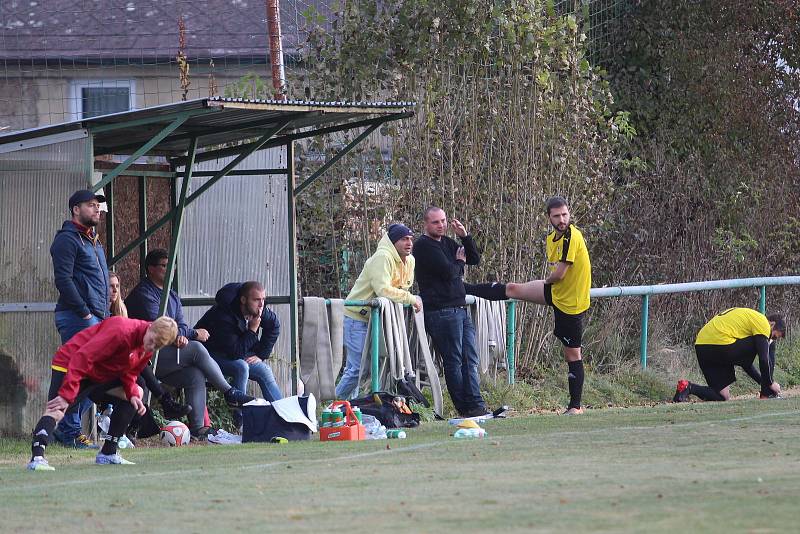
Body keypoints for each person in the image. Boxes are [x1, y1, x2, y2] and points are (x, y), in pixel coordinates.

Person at [125, 249, 254, 439]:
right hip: (145, 359)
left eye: (172, 265)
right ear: (150, 269)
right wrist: (192, 334)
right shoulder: (144, 294)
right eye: (164, 265)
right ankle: (229, 392)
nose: (171, 269)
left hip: (166, 354)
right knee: (196, 348)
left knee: (195, 374)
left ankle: (198, 428)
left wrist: (182, 335)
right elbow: (160, 329)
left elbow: (180, 325)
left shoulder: (173, 295)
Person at [27, 316, 178, 471]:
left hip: (96, 373)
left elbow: (130, 370)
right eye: (152, 341)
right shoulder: (121, 331)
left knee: (137, 392)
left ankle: (108, 452)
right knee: (57, 409)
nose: (151, 347)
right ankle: (37, 458)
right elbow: (82, 358)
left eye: (157, 346)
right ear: (150, 326)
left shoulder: (147, 347)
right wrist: (67, 394)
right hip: (70, 362)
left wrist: (132, 393)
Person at [498, 196, 592, 415]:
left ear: (569, 214)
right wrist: (549, 283)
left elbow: (559, 274)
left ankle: (575, 407)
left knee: (572, 354)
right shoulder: (552, 238)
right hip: (557, 295)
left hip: (571, 304)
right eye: (557, 216)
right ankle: (466, 289)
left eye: (565, 214)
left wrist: (546, 281)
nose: (562, 219)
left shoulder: (572, 236)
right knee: (513, 289)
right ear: (548, 217)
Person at [413, 206, 489, 418]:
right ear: (426, 224)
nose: (441, 225)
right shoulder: (423, 246)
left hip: (460, 309)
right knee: (454, 360)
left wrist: (465, 237)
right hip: (441, 312)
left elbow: (473, 259)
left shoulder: (447, 242)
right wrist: (458, 262)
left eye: (444, 221)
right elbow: (450, 273)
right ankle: (464, 407)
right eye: (436, 222)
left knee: (470, 359)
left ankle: (477, 404)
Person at [49, 189, 110, 448]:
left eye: (97, 206)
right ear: (76, 209)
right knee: (81, 374)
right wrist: (84, 311)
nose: (97, 209)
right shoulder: (68, 239)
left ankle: (62, 424)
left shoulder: (92, 240)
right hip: (78, 317)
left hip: (96, 317)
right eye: (91, 205)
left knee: (101, 376)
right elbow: (63, 279)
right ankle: (68, 430)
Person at [336, 223, 422, 399]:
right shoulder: (382, 257)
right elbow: (383, 290)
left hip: (378, 320)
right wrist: (411, 299)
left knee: (370, 367)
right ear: (393, 241)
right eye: (404, 239)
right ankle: (332, 406)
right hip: (357, 318)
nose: (409, 243)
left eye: (411, 239)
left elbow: (403, 286)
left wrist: (406, 296)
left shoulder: (410, 260)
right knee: (358, 369)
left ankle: (352, 408)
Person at [195, 281, 283, 427]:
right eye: (256, 300)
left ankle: (284, 416)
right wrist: (252, 331)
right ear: (243, 300)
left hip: (233, 351)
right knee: (241, 366)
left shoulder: (259, 309)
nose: (261, 305)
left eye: (263, 299)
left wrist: (260, 355)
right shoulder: (224, 315)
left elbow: (274, 326)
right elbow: (235, 353)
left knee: (264, 370)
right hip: (208, 354)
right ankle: (241, 422)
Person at [673, 308, 784, 402]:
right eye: (774, 336)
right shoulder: (763, 322)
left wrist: (763, 382)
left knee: (722, 396)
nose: (771, 339)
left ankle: (687, 387)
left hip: (702, 347)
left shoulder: (750, 322)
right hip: (720, 344)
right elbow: (763, 360)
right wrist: (770, 383)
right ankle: (766, 394)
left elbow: (746, 363)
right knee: (765, 345)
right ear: (772, 323)